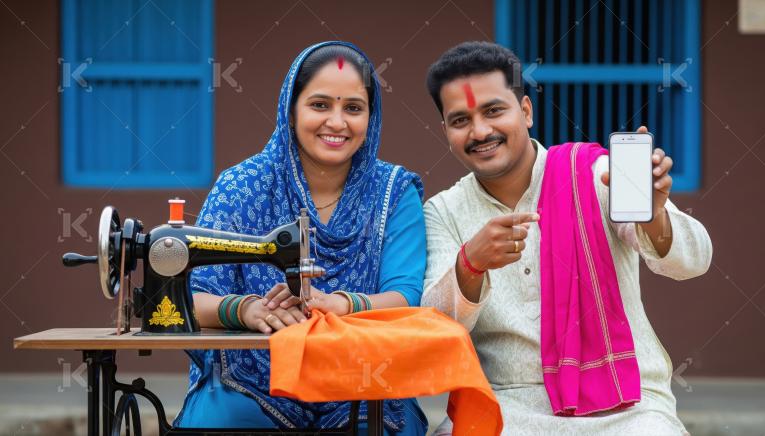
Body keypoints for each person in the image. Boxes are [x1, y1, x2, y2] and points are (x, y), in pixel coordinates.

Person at [421, 41, 712, 435]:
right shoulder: (443, 212)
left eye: (493, 111)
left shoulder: (593, 174)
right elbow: (436, 327)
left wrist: (654, 215)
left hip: (628, 405)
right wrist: (470, 264)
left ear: (526, 111)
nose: (481, 131)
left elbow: (694, 262)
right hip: (506, 406)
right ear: (446, 132)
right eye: (461, 120)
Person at [173, 41, 428, 435]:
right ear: (291, 112)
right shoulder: (242, 186)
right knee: (222, 424)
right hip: (252, 378)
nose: (337, 123)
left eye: (353, 108)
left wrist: (340, 305)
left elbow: (405, 297)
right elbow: (190, 299)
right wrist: (245, 310)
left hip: (364, 376)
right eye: (320, 105)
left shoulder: (394, 193)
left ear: (371, 118)